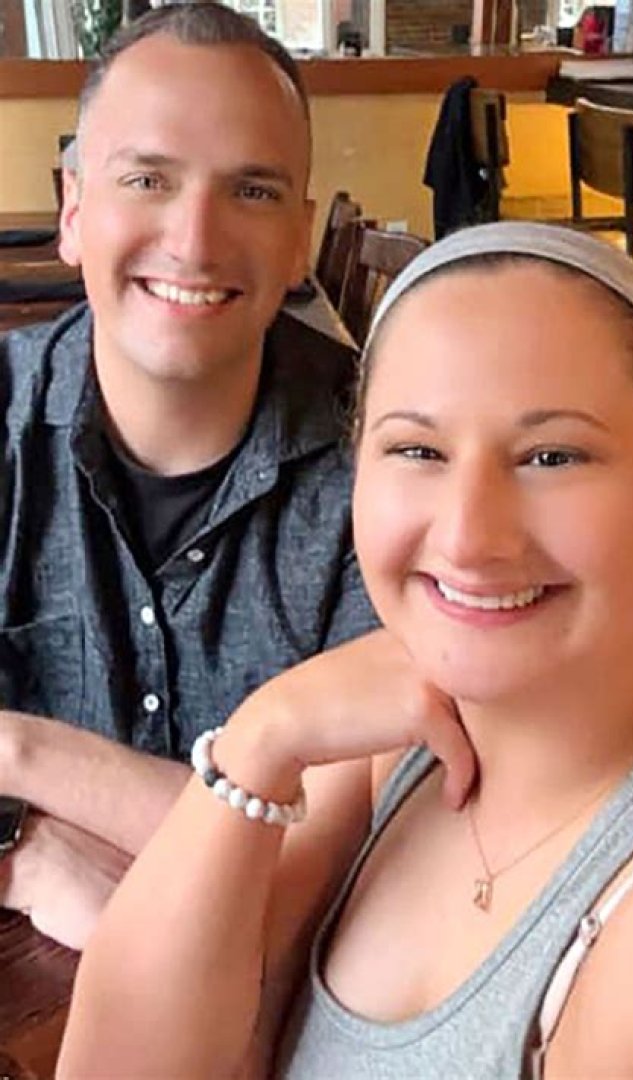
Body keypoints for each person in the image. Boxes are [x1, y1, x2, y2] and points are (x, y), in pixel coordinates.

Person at [58, 221, 633, 1079]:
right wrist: (265, 734)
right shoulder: (390, 744)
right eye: (417, 450)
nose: (469, 536)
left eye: (552, 456)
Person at [0, 4, 375, 949]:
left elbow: (359, 865)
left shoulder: (391, 464)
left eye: (251, 190)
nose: (196, 241)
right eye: (148, 180)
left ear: (298, 238)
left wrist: (17, 750)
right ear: (74, 209)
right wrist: (22, 849)